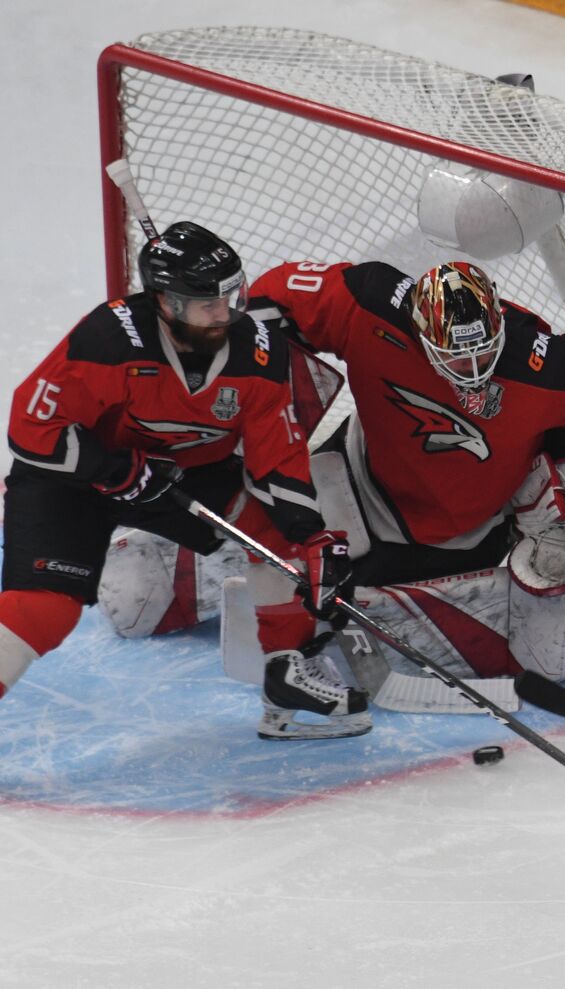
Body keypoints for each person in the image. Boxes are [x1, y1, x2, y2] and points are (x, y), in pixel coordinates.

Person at [2, 222, 366, 740]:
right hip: (73, 483)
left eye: (230, 296)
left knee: (285, 543)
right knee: (44, 610)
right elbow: (31, 426)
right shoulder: (109, 339)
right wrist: (114, 468)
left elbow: (276, 456)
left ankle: (289, 671)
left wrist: (311, 536)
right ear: (167, 304)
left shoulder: (259, 353)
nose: (226, 313)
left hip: (179, 475)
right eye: (207, 304)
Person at [230, 257, 565, 705]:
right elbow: (271, 297)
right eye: (454, 355)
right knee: (275, 512)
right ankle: (278, 640)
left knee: (550, 661)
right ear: (419, 331)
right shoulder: (370, 302)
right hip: (359, 478)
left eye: (485, 351)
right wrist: (258, 376)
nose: (472, 371)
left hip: (465, 533)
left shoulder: (547, 365)